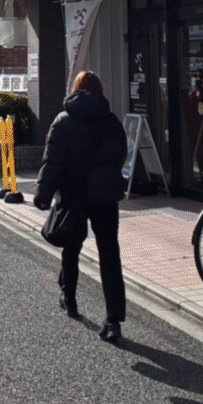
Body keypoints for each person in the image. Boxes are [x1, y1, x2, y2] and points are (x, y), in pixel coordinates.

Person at [33, 70, 129, 343]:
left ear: (75, 89)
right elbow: (120, 154)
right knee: (109, 254)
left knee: (72, 245)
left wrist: (43, 193)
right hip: (105, 195)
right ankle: (113, 321)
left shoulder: (64, 120)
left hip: (74, 192)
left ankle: (69, 297)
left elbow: (52, 160)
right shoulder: (111, 121)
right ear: (100, 90)